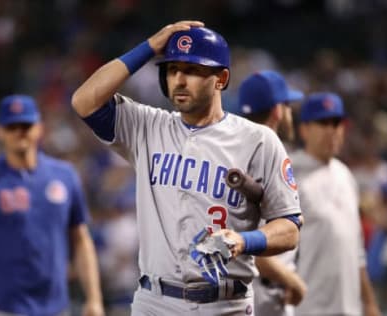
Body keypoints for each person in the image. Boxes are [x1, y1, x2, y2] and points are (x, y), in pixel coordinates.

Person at [71, 20, 302, 315]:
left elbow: (289, 228)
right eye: (172, 69)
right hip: (154, 301)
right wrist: (150, 47)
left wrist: (244, 241)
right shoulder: (147, 126)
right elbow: (84, 101)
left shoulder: (257, 139)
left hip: (226, 304)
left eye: (192, 70)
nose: (179, 79)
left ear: (221, 79)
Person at [0, 95, 105, 316]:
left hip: (55, 307)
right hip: (2, 308)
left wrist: (94, 299)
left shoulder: (64, 175)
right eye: (12, 126)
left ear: (39, 128)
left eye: (26, 125)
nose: (20, 132)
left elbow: (81, 239)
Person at [290, 92, 381, 316]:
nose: (331, 130)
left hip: (350, 308)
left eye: (336, 123)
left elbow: (356, 249)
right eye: (322, 123)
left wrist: (369, 303)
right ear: (304, 130)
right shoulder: (291, 175)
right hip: (309, 308)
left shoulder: (345, 175)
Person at [233, 70, 307, 316]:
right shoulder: (258, 160)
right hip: (257, 293)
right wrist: (290, 279)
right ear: (277, 110)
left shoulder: (232, 153)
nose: (290, 113)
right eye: (287, 105)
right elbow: (245, 239)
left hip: (263, 291)